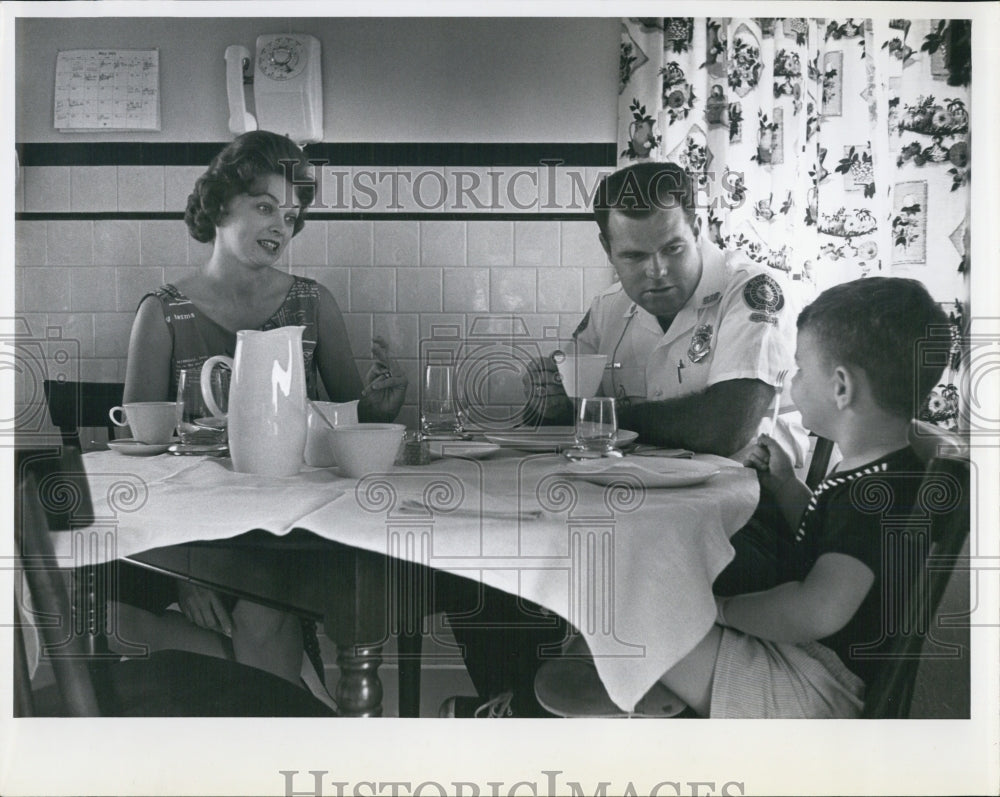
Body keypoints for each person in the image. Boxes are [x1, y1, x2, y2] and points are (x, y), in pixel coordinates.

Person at [116, 130, 407, 697]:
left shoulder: (313, 302)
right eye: (266, 206)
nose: (281, 225)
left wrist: (377, 407)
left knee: (261, 610)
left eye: (292, 215)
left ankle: (269, 699)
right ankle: (291, 693)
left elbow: (347, 429)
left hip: (285, 532)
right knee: (114, 617)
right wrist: (183, 566)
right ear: (221, 204)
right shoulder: (161, 313)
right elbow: (140, 458)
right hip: (189, 527)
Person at [653, 276, 949, 717]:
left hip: (819, 689)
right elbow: (832, 540)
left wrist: (726, 610)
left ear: (841, 387)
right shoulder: (888, 471)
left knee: (650, 629)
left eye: (802, 369)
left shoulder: (873, 495)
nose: (793, 381)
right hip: (820, 664)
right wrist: (788, 486)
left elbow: (818, 609)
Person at [527, 160, 806, 464]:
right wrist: (546, 399)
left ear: (697, 230)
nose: (657, 271)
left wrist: (599, 417)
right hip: (639, 488)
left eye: (673, 249)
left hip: (752, 498)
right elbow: (562, 418)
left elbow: (723, 429)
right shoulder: (608, 307)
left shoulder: (753, 290)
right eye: (634, 256)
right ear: (607, 249)